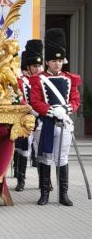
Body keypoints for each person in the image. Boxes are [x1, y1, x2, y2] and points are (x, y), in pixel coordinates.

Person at [29, 28, 81, 206]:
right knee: (45, 157)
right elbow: (35, 101)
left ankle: (63, 195)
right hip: (46, 124)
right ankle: (44, 194)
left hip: (64, 123)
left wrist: (67, 109)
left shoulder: (69, 79)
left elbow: (75, 99)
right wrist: (51, 111)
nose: (57, 64)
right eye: (53, 61)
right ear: (48, 62)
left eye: (60, 60)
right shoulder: (38, 79)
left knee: (62, 159)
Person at [14, 40, 43, 192]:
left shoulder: (43, 81)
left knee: (40, 151)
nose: (37, 69)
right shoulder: (21, 82)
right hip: (26, 120)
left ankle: (43, 182)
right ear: (28, 67)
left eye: (39, 66)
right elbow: (19, 98)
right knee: (24, 149)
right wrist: (30, 108)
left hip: (41, 119)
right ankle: (21, 181)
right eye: (34, 66)